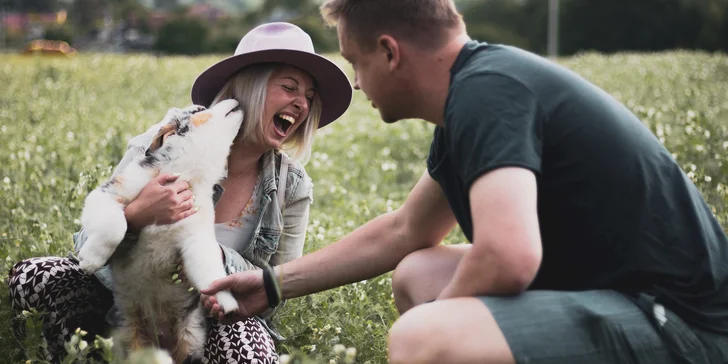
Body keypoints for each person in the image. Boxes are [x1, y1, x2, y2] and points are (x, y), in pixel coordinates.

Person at [201, 1, 728, 363]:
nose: (357, 82)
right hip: (616, 295)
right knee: (418, 273)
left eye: (356, 63)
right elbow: (405, 231)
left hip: (682, 325)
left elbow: (508, 258)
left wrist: (447, 337)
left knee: (425, 338)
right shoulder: (474, 95)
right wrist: (271, 285)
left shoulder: (487, 94)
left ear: (390, 52)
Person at [7, 22, 352, 364]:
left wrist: (210, 262)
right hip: (125, 302)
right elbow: (85, 249)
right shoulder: (172, 139)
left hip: (217, 320)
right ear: (252, 86)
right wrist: (136, 215)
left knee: (249, 354)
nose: (302, 105)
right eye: (289, 88)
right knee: (33, 277)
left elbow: (278, 287)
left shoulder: (293, 185)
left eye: (308, 97)